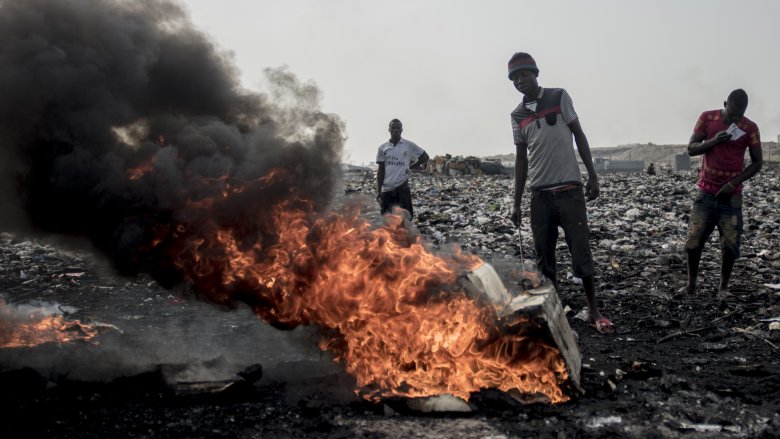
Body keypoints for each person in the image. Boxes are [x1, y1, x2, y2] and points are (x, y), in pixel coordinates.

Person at [507, 52, 613, 334]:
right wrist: (516, 203)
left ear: (535, 73)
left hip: (569, 191)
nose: (520, 81)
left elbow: (579, 134)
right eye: (515, 78)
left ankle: (593, 311)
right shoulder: (517, 116)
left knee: (581, 253)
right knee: (545, 259)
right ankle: (554, 314)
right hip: (539, 195)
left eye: (524, 75)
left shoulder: (559, 97)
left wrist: (592, 175)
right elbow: (521, 160)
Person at [678, 89, 762, 298]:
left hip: (731, 197)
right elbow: (691, 148)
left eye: (739, 115)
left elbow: (757, 162)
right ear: (725, 103)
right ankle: (691, 286)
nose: (736, 119)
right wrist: (714, 141)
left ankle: (723, 288)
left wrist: (734, 184)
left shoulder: (750, 128)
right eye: (732, 114)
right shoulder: (707, 118)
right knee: (693, 241)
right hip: (705, 192)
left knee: (731, 244)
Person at [376, 119, 429, 219]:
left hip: (402, 188)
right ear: (389, 130)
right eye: (393, 128)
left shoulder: (408, 145)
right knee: (386, 219)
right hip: (387, 189)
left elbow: (425, 157)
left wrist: (411, 166)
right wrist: (379, 190)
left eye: (398, 128)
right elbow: (381, 170)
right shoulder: (383, 148)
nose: (395, 130)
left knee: (405, 218)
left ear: (401, 130)